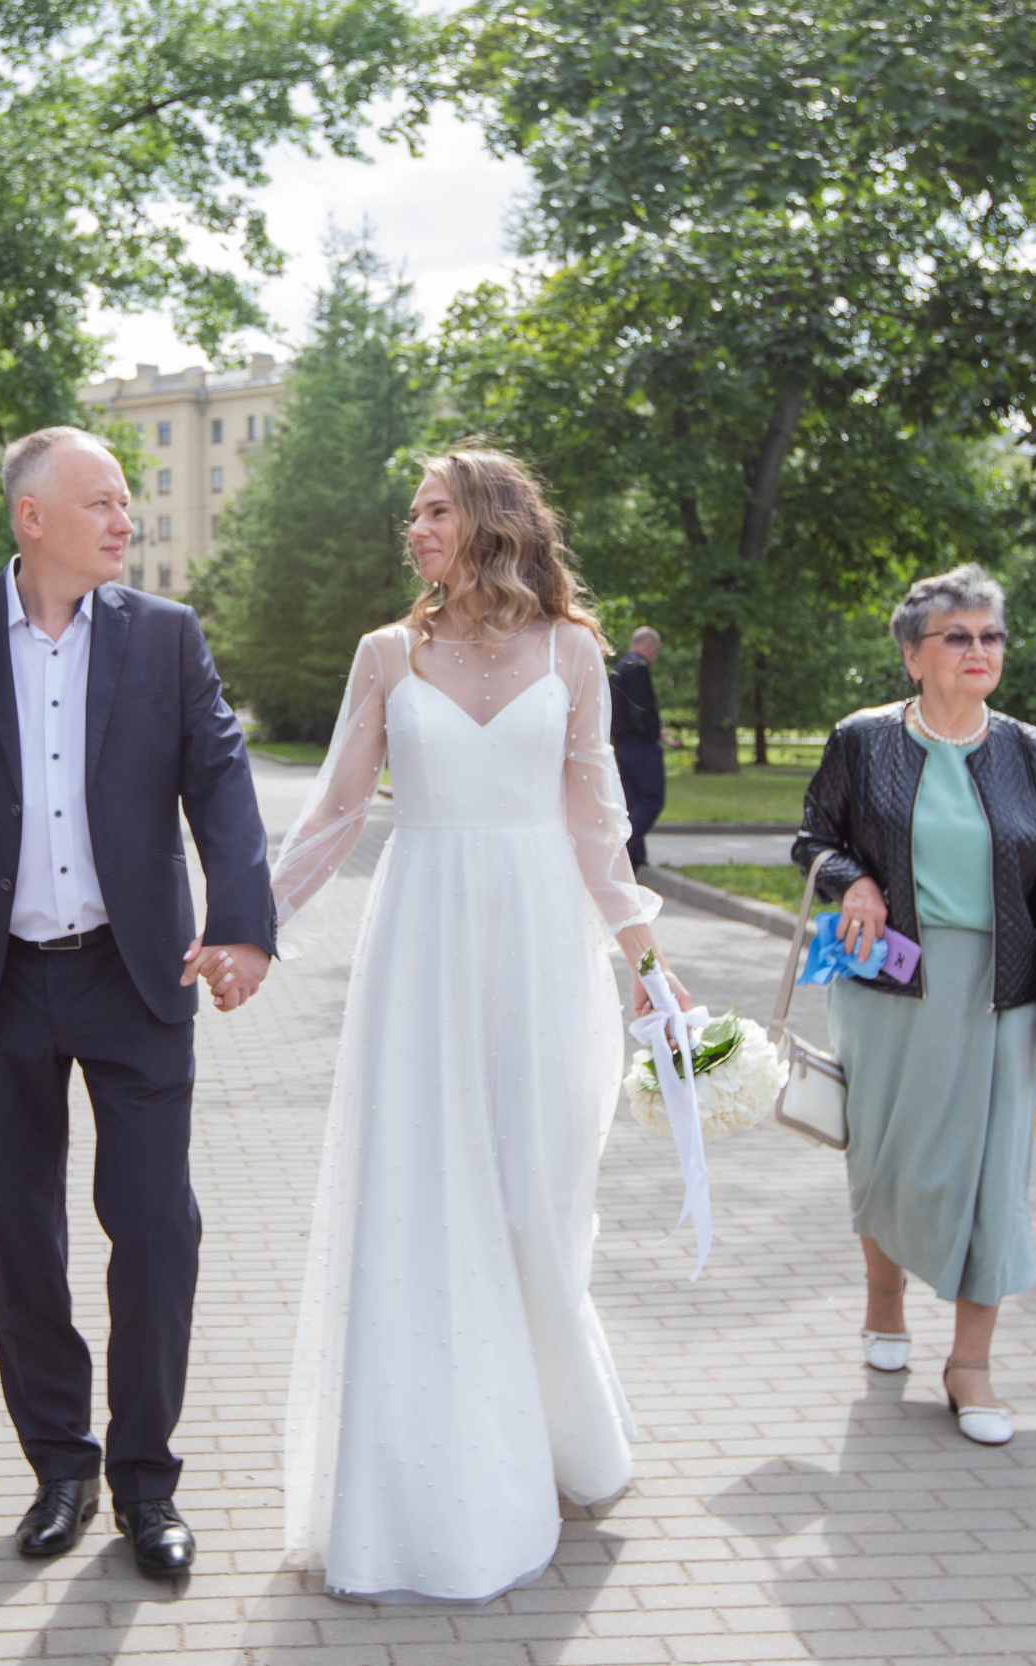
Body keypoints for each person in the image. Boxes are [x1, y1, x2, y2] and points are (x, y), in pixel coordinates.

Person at [0, 426, 275, 1576]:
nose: (124, 520)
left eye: (128, 502)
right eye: (103, 502)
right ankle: (60, 1467)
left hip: (135, 976)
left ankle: (146, 1480)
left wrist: (240, 923)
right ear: (33, 517)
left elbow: (222, 779)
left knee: (156, 1226)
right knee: (21, 1236)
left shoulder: (166, 638)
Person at [270, 443, 688, 1603]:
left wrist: (647, 962)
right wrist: (249, 928)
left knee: (533, 1201)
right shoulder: (387, 654)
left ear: (492, 521)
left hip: (544, 944)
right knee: (427, 1200)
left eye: (434, 510)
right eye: (411, 513)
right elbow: (335, 813)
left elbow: (598, 824)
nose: (413, 529)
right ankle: (448, 1471)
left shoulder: (571, 653)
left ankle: (563, 1434)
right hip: (422, 944)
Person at [793, 566, 1036, 1447]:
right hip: (888, 981)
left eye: (990, 636)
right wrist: (856, 881)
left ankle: (971, 1364)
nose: (978, 651)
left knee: (994, 1170)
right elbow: (815, 836)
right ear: (914, 654)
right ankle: (885, 1304)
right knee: (886, 1156)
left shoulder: (1033, 752)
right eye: (957, 637)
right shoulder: (864, 739)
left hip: (1001, 989)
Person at [608, 626, 670, 866]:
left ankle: (635, 857)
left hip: (623, 744)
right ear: (650, 646)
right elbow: (641, 710)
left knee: (633, 801)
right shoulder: (638, 669)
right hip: (640, 745)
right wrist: (653, 732)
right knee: (652, 798)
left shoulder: (619, 669)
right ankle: (626, 846)